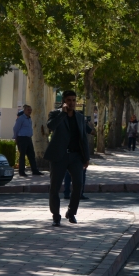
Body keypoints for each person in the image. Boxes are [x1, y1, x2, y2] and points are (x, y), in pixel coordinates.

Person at [46, 90, 90, 226]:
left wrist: (86, 158)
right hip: (59, 156)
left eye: (74, 100)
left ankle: (71, 213)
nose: (72, 103)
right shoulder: (55, 114)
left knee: (78, 185)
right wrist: (62, 114)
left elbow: (83, 137)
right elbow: (50, 126)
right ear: (64, 101)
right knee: (55, 187)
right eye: (69, 100)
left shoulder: (79, 117)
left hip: (76, 156)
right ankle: (56, 216)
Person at [12, 104, 43, 176]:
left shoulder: (29, 118)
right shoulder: (21, 118)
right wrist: (16, 137)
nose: (30, 111)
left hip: (28, 138)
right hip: (22, 138)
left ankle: (35, 170)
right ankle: (21, 172)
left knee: (31, 155)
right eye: (28, 110)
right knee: (22, 155)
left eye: (30, 110)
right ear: (24, 111)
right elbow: (15, 128)